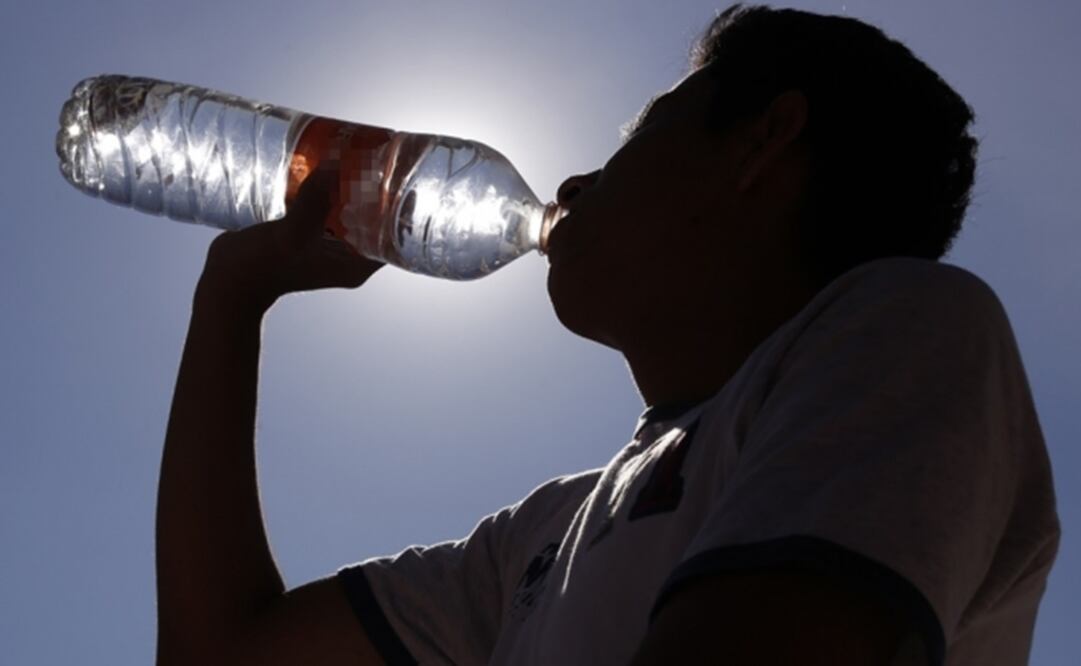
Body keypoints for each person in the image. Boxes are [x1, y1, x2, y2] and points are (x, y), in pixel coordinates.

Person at [154, 5, 1060, 666]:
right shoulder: (539, 537)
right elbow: (219, 651)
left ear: (760, 144)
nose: (576, 183)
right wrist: (231, 303)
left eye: (638, 138)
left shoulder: (912, 328)